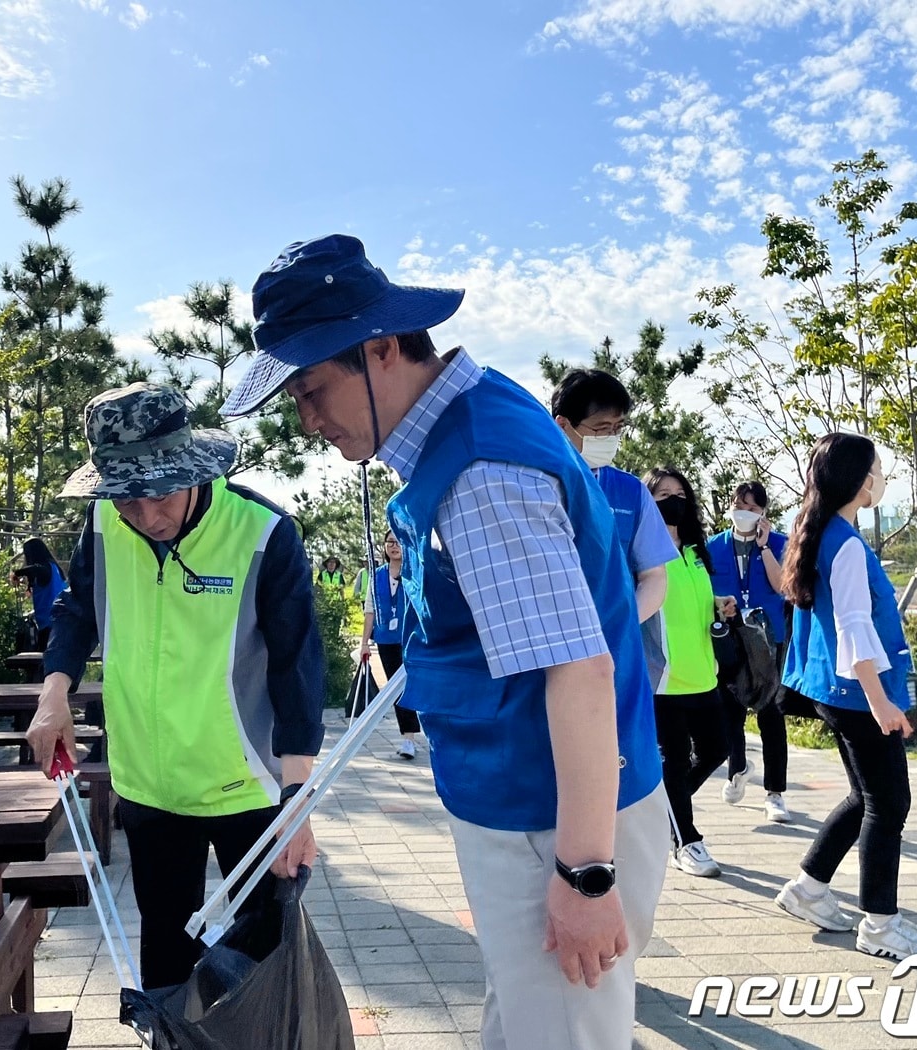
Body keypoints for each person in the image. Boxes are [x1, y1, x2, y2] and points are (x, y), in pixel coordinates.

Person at [223, 234, 667, 1050]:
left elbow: (579, 671)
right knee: (528, 1023)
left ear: (381, 349)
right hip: (535, 805)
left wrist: (585, 874)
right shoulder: (471, 418)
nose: (308, 419)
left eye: (313, 388)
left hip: (551, 820)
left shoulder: (481, 472)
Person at [24, 382, 326, 990]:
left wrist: (298, 802)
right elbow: (80, 608)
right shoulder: (106, 520)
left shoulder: (262, 533)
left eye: (159, 494)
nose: (147, 516)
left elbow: (297, 666)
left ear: (192, 468)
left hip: (248, 788)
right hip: (148, 784)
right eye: (127, 499)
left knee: (262, 960)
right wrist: (54, 690)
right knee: (165, 948)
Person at [773, 433, 917, 960]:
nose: (883, 477)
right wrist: (881, 702)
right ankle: (881, 924)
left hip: (840, 689)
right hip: (857, 692)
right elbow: (852, 626)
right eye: (878, 468)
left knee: (866, 797)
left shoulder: (824, 532)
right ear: (858, 478)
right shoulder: (844, 544)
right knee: (889, 804)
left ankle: (808, 890)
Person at [644, 467, 731, 879]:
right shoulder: (640, 549)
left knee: (717, 750)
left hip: (703, 673)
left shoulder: (697, 551)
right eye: (663, 494)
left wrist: (719, 603)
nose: (673, 500)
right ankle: (687, 841)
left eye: (680, 493)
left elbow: (692, 601)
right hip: (663, 678)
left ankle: (663, 809)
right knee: (674, 763)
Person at [550, 370, 676, 627]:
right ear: (562, 425)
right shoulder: (534, 486)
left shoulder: (631, 492)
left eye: (617, 428)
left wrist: (621, 626)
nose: (611, 437)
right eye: (601, 429)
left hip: (617, 646)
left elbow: (653, 576)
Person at [705, 481, 792, 824]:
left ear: (764, 513)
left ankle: (775, 793)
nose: (746, 513)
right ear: (731, 505)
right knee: (730, 710)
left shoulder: (780, 543)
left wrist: (766, 547)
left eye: (754, 509)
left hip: (769, 638)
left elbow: (782, 586)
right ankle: (737, 768)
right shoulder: (712, 547)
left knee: (771, 712)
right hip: (730, 636)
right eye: (741, 505)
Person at [357, 530, 421, 759]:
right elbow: (369, 610)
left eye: (398, 542)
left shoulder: (414, 572)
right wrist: (365, 643)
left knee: (418, 685)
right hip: (386, 639)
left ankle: (428, 732)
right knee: (398, 690)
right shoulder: (376, 576)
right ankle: (408, 739)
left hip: (412, 639)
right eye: (390, 542)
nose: (394, 546)